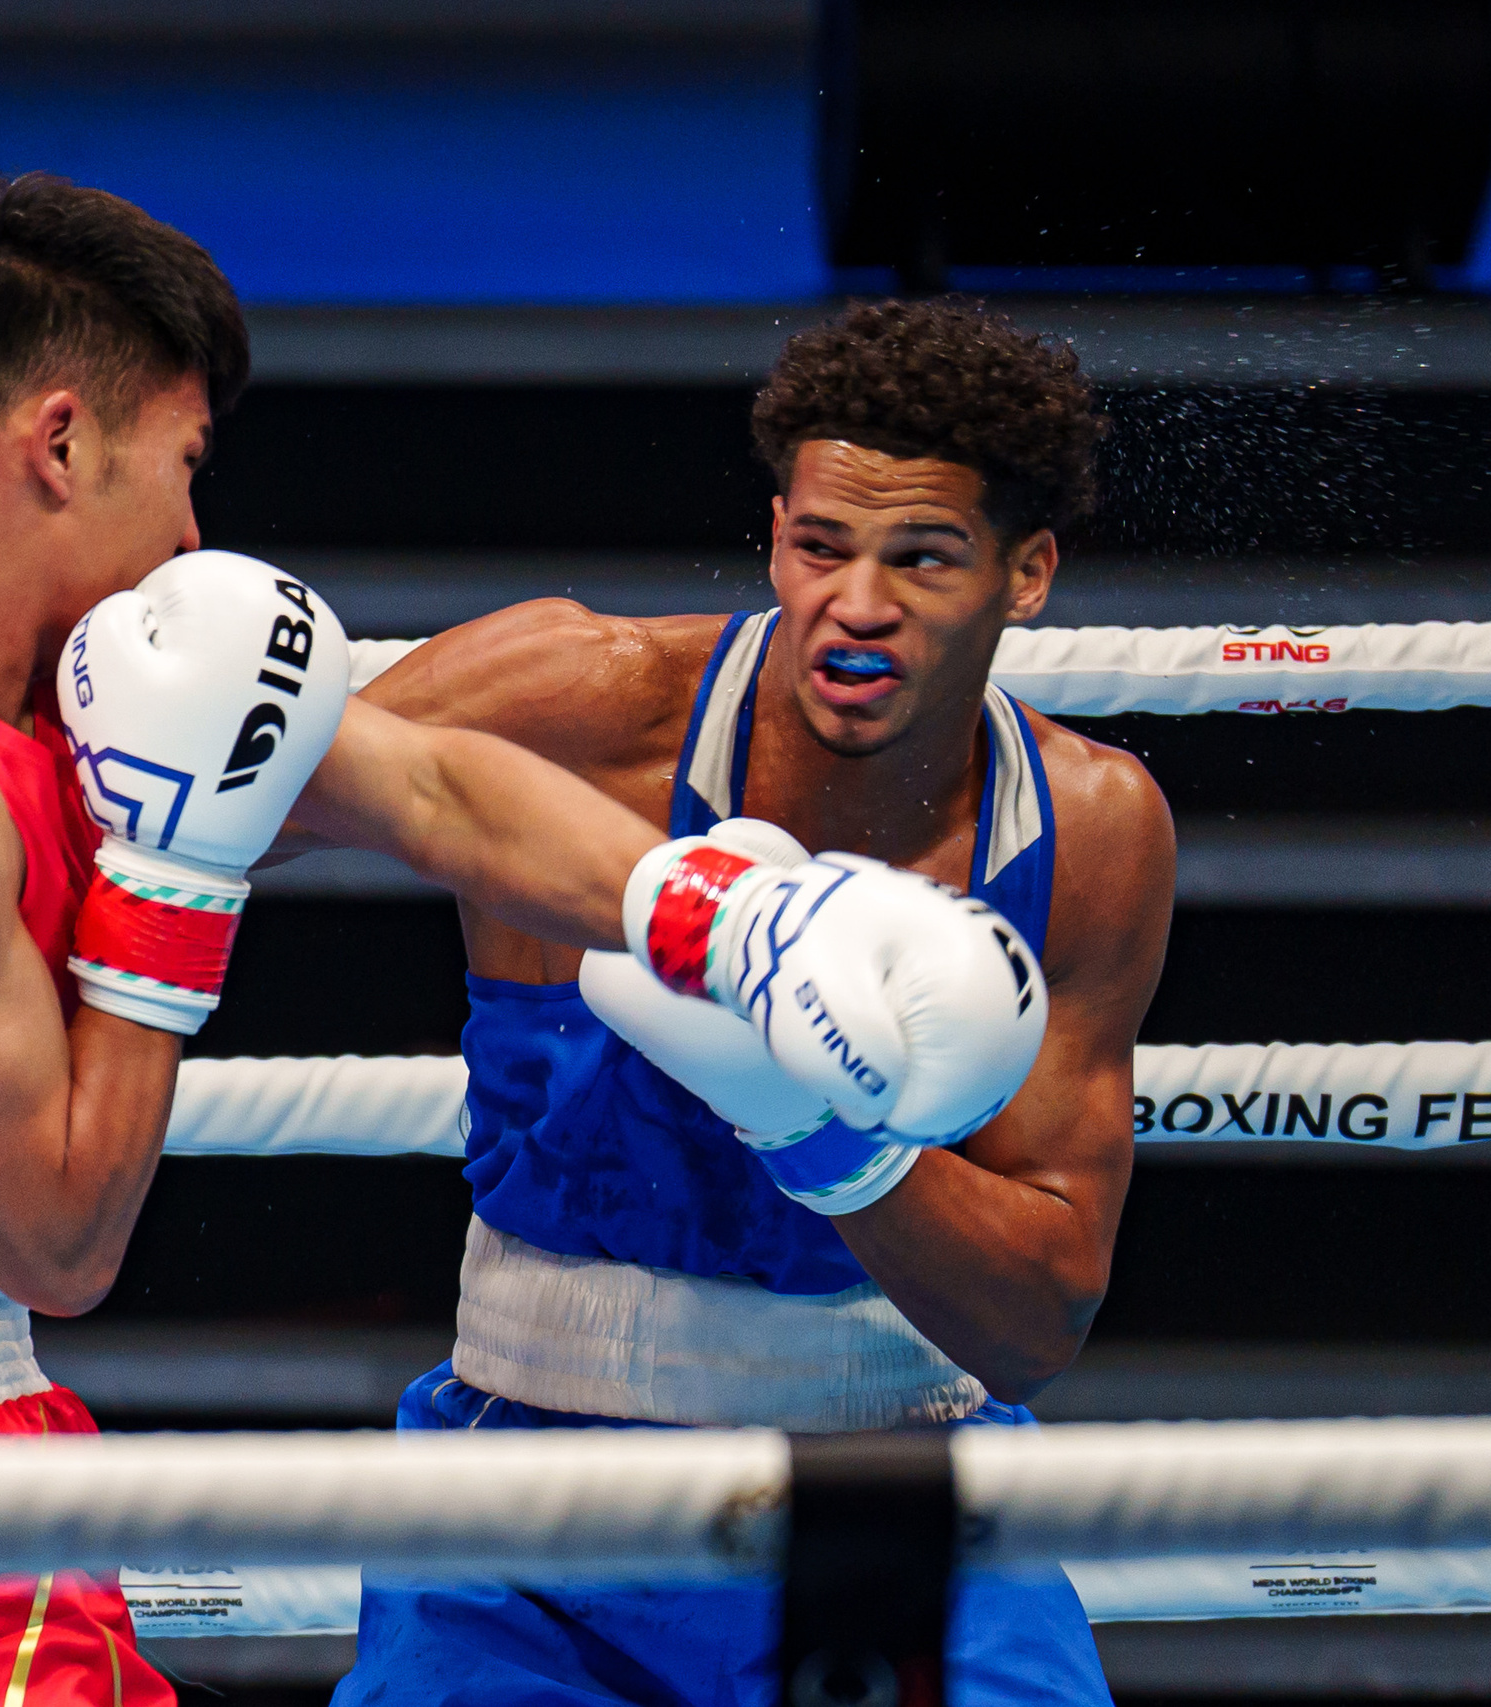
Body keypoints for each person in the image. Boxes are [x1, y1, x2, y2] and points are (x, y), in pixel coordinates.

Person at [0, 176, 1040, 1707]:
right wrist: (174, 873)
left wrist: (728, 919)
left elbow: (433, 789)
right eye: (182, 465)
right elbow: (60, 1242)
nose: (190, 529)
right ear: (60, 443)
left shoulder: (40, 668)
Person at [333, 299, 1177, 1707]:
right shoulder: (586, 699)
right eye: (821, 547)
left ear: (1026, 573)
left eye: (923, 558)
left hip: (903, 1482)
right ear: (776, 531)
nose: (859, 605)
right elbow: (231, 797)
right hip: (531, 1499)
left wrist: (826, 1138)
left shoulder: (1087, 828)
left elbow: (1037, 1325)